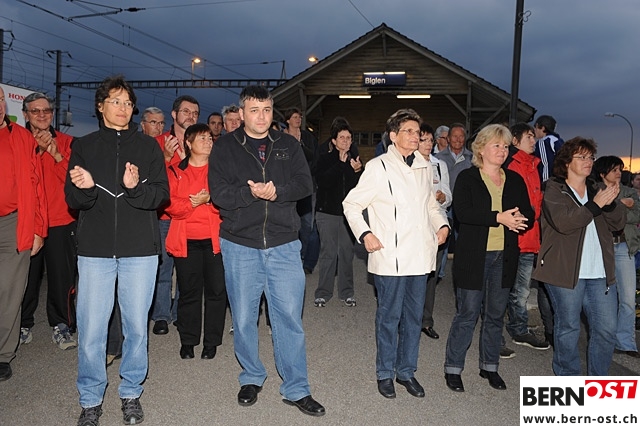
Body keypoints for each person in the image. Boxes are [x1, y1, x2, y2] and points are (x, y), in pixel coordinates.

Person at [209, 85, 325, 416]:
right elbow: (219, 194)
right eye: (254, 110)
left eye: (267, 110)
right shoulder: (225, 147)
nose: (261, 117)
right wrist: (251, 194)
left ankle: (296, 387)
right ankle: (251, 376)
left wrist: (277, 193)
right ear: (241, 113)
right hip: (240, 244)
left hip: (284, 243)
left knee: (288, 316)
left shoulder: (288, 144)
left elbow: (304, 184)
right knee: (244, 317)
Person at [65, 75, 169, 425]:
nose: (123, 108)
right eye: (115, 101)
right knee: (91, 328)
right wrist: (85, 188)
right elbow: (73, 199)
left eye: (127, 103)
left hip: (140, 250)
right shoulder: (84, 146)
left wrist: (135, 187)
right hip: (95, 251)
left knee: (136, 326)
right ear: (100, 106)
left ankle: (131, 392)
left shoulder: (149, 147)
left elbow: (161, 195)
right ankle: (90, 399)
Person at [343, 108, 449, 400]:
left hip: (420, 255)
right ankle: (384, 373)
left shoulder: (424, 166)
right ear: (393, 136)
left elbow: (430, 205)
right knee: (389, 318)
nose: (416, 136)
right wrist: (366, 234)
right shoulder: (377, 167)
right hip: (391, 256)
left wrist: (442, 224)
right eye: (409, 131)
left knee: (414, 318)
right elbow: (351, 204)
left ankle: (406, 371)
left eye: (418, 132)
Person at [444, 124, 534, 393]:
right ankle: (453, 368)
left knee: (495, 316)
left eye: (505, 146)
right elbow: (463, 213)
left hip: (505, 257)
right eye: (497, 145)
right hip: (474, 257)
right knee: (468, 314)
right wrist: (499, 218)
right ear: (481, 149)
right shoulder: (468, 178)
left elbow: (528, 214)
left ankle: (490, 366)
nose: (502, 150)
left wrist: (519, 219)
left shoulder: (514, 179)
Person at [532, 137, 625, 376]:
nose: (588, 161)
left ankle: (598, 382)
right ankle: (568, 379)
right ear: (566, 162)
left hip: (600, 273)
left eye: (590, 157)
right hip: (564, 273)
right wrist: (595, 205)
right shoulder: (554, 189)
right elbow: (564, 223)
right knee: (568, 328)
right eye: (581, 157)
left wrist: (610, 204)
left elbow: (618, 224)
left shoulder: (597, 188)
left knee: (606, 331)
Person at [19, 92, 77, 350]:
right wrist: (36, 151)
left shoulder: (68, 142)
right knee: (25, 278)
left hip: (60, 221)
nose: (41, 115)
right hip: (27, 222)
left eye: (46, 111)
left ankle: (62, 324)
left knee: (61, 277)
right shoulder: (18, 141)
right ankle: (21, 324)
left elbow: (75, 182)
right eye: (35, 111)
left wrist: (56, 156)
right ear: (25, 114)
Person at [165, 123, 226, 360]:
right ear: (188, 143)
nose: (209, 142)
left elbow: (227, 203)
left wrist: (210, 201)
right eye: (202, 138)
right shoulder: (175, 171)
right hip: (186, 240)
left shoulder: (219, 170)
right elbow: (169, 205)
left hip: (214, 241)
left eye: (210, 138)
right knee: (189, 292)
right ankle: (188, 340)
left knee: (216, 292)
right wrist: (192, 203)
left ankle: (212, 342)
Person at [0, 86, 47, 382]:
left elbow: (37, 185)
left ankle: (3, 354)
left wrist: (38, 229)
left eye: (0, 99)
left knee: (9, 291)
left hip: (13, 224)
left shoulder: (21, 137)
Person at [151, 95, 200, 336]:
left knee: (186, 270)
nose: (191, 116)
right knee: (163, 267)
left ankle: (181, 313)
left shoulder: (199, 143)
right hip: (165, 216)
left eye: (195, 113)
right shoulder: (157, 142)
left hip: (191, 214)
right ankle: (161, 315)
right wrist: (166, 158)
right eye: (186, 111)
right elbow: (149, 179)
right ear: (174, 114)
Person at [502, 123, 550, 350]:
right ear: (515, 140)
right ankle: (514, 329)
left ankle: (518, 327)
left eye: (534, 137)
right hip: (515, 236)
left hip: (530, 237)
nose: (534, 141)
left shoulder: (533, 165)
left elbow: (537, 204)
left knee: (521, 289)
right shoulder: (512, 164)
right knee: (511, 288)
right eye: (529, 137)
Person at [592, 156, 640, 358]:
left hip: (624, 247)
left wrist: (612, 206)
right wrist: (621, 205)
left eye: (620, 169)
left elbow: (636, 215)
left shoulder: (630, 192)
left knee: (628, 298)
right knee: (605, 297)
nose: (619, 173)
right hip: (601, 248)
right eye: (614, 170)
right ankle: (604, 340)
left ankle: (626, 343)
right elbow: (598, 216)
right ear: (603, 173)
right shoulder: (593, 190)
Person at [313, 118, 362, 308]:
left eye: (348, 138)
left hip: (347, 215)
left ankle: (347, 292)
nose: (345, 141)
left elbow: (359, 188)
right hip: (327, 213)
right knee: (329, 253)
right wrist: (340, 165)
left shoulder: (355, 160)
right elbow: (323, 183)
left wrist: (357, 172)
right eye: (341, 137)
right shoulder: (325, 159)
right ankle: (323, 293)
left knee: (347, 253)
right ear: (333, 141)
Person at [417, 123, 451, 340]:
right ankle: (408, 318)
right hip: (416, 227)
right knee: (413, 276)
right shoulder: (408, 164)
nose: (428, 144)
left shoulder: (440, 165)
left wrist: (443, 197)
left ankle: (426, 320)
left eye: (431, 140)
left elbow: (447, 193)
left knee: (431, 275)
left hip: (436, 227)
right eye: (424, 140)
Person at [283, 107, 320, 275]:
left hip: (307, 186)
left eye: (299, 117)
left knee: (307, 224)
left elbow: (314, 157)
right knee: (289, 223)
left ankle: (304, 258)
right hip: (287, 186)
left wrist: (299, 145)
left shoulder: (307, 137)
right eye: (295, 117)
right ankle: (291, 258)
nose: (298, 119)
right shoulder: (281, 137)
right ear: (287, 120)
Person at [533, 114, 564, 183]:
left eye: (536, 127)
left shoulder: (543, 142)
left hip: (549, 181)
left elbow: (546, 164)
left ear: (542, 128)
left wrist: (545, 183)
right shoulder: (559, 141)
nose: (534, 131)